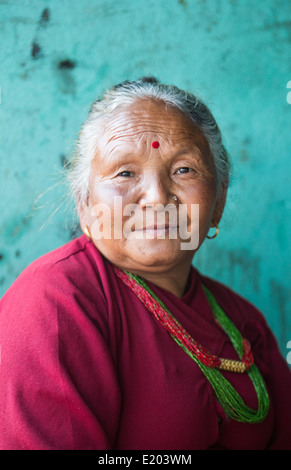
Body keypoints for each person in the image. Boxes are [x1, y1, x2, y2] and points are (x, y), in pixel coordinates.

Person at [0, 77, 290, 450]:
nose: (157, 197)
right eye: (125, 173)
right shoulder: (55, 303)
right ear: (85, 204)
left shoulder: (243, 320)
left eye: (184, 170)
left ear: (218, 200)